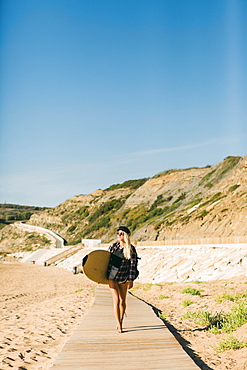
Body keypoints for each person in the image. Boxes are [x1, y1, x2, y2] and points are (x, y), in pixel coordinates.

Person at [107, 226, 139, 333]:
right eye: (118, 233)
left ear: (126, 235)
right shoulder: (113, 247)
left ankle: (121, 320)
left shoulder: (131, 249)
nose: (119, 235)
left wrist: (131, 280)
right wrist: (99, 276)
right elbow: (106, 261)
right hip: (112, 275)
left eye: (121, 233)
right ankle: (118, 324)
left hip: (124, 277)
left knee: (122, 301)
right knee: (116, 299)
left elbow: (133, 266)